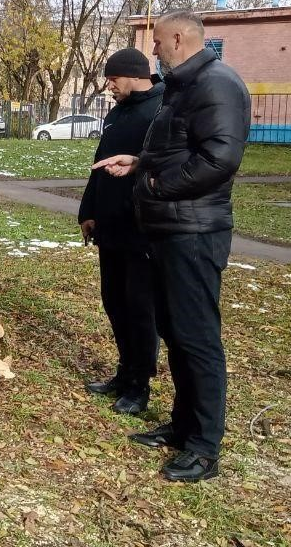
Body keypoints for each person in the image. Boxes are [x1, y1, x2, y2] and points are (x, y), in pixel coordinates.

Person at [92, 10, 250, 482]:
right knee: (176, 332)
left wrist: (155, 184)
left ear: (178, 38)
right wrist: (139, 163)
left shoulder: (217, 84)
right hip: (166, 230)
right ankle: (183, 427)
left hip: (194, 233)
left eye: (158, 42)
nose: (153, 51)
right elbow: (178, 151)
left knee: (197, 338)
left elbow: (220, 158)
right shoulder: (183, 87)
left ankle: (203, 447)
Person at [78, 48, 164, 415]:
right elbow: (100, 164)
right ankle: (123, 373)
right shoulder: (117, 113)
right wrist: (88, 210)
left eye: (112, 79)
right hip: (109, 226)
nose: (109, 86)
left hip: (142, 228)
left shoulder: (161, 110)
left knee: (140, 309)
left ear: (132, 75)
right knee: (114, 302)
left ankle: (139, 385)